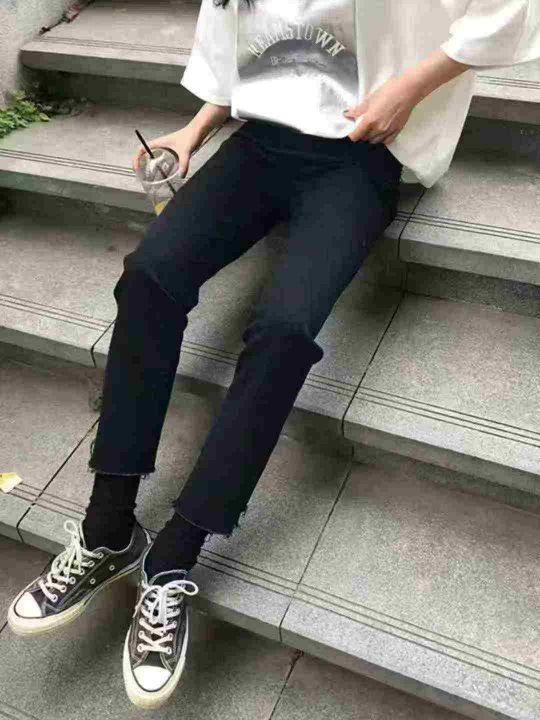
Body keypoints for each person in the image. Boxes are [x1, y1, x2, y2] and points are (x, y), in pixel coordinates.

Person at [7, 0, 539, 709]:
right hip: (259, 144)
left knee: (285, 330)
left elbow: (509, 10)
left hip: (362, 153)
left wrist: (410, 89)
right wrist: (196, 129)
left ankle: (175, 558)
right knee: (149, 276)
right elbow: (253, 44)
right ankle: (108, 527)